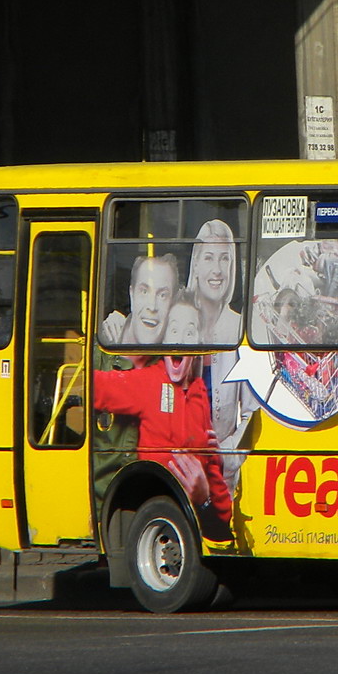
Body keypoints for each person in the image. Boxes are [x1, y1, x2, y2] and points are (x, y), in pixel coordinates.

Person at [92, 290, 233, 542]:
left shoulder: (200, 392)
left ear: (198, 343)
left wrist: (212, 503)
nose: (179, 340)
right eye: (173, 330)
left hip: (198, 521)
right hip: (161, 511)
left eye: (189, 332)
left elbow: (214, 477)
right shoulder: (150, 381)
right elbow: (95, 386)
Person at [187, 219, 252, 492]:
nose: (217, 269)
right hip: (179, 465)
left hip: (223, 475)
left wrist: (226, 456)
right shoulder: (177, 323)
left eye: (225, 259)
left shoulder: (241, 329)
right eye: (209, 258)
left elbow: (251, 413)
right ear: (196, 265)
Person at [100, 253, 179, 346]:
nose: (152, 307)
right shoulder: (110, 337)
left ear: (173, 303)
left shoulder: (179, 344)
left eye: (163, 295)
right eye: (144, 291)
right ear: (132, 294)